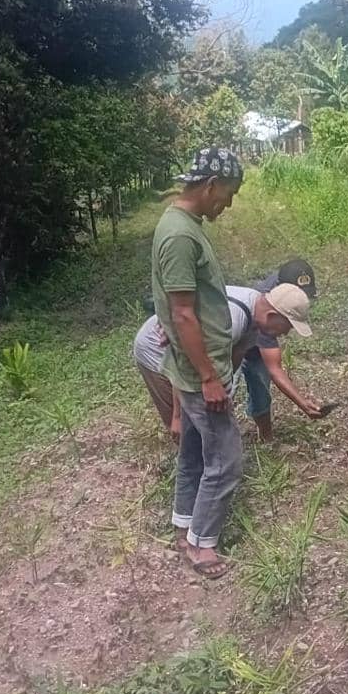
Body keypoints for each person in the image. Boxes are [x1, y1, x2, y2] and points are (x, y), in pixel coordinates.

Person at [150, 146, 245, 579]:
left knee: (193, 451)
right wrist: (209, 375)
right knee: (225, 459)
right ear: (210, 186)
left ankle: (184, 524)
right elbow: (183, 312)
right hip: (198, 373)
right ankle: (201, 545)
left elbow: (177, 309)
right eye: (229, 193)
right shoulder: (181, 236)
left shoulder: (179, 224)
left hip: (191, 368)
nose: (229, 204)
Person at [133, 283, 315, 441]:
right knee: (189, 431)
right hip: (157, 349)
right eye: (287, 326)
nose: (285, 333)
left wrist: (224, 395)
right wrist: (178, 416)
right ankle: (193, 474)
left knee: (206, 426)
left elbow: (234, 356)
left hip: (189, 354)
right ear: (272, 314)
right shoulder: (232, 320)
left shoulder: (255, 314)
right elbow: (185, 360)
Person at [240, 260, 325, 441]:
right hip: (236, 341)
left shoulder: (283, 295)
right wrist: (302, 403)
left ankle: (265, 438)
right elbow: (274, 368)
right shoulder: (267, 311)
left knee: (260, 388)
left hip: (248, 337)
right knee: (229, 388)